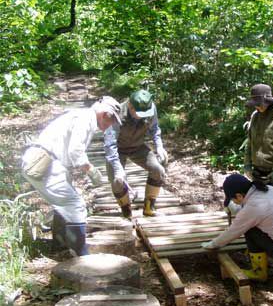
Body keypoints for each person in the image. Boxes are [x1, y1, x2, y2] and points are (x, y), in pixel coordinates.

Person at [21, 96, 121, 256]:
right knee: (76, 205)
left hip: (50, 163)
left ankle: (60, 245)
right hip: (43, 163)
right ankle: (82, 255)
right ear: (104, 114)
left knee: (64, 204)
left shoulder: (84, 117)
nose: (110, 125)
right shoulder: (84, 119)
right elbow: (75, 151)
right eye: (111, 120)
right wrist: (91, 170)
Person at [104, 89, 168, 218]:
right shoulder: (116, 114)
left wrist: (159, 147)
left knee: (158, 170)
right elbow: (110, 145)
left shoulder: (150, 108)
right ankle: (126, 210)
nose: (144, 116)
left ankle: (149, 207)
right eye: (140, 113)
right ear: (130, 106)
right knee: (117, 181)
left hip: (138, 146)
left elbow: (155, 129)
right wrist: (118, 170)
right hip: (118, 150)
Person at [244, 84, 273, 195]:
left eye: (260, 104)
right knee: (260, 208)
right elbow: (250, 142)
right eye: (256, 105)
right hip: (257, 172)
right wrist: (247, 164)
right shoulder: (255, 116)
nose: (258, 107)